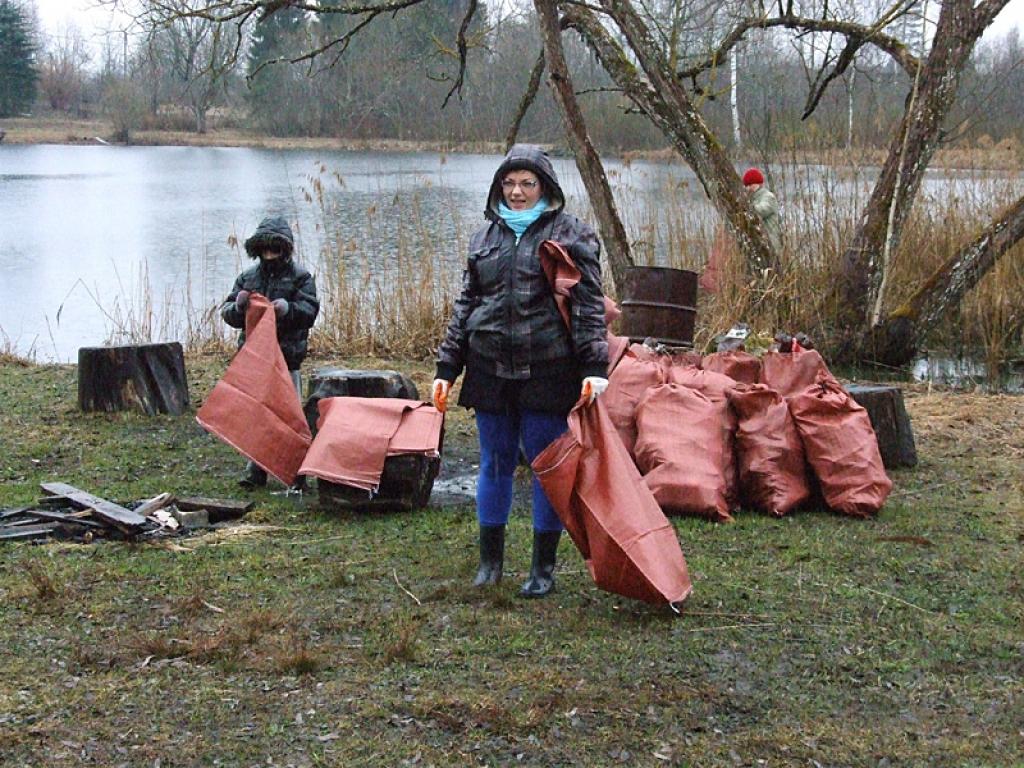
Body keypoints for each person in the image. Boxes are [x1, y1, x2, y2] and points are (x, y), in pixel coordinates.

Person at [432, 144, 609, 598]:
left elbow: (588, 308)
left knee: (545, 467)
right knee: (494, 461)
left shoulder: (573, 236)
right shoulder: (483, 238)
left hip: (549, 369)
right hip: (489, 367)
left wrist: (594, 366)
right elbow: (465, 306)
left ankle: (542, 568)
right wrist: (446, 367)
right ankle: (490, 564)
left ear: (545, 188)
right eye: (509, 183)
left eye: (527, 184)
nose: (517, 192)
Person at [221, 215, 320, 489]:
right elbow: (227, 313)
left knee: (290, 417)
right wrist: (239, 306)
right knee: (256, 416)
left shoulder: (301, 278)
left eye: (275, 248)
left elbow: (309, 312)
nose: (269, 254)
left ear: (284, 248)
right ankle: (256, 471)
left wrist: (286, 309)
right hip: (255, 360)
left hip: (287, 359)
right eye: (265, 249)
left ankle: (297, 474)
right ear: (258, 249)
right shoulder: (247, 278)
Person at [741, 167, 782, 252]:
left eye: (748, 185)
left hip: (770, 244)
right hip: (760, 244)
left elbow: (761, 211)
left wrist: (745, 207)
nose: (746, 188)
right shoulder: (752, 199)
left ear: (755, 184)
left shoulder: (769, 197)